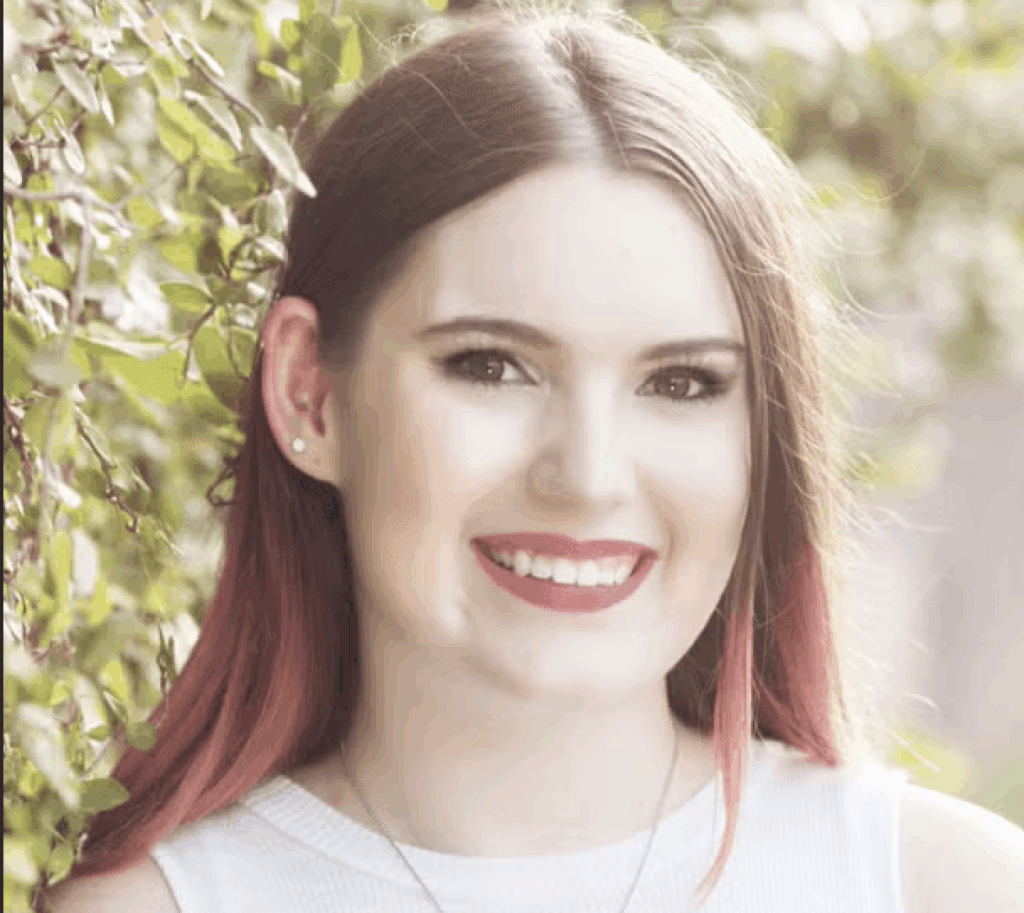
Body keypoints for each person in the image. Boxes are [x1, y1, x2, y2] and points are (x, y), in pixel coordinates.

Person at [43, 5, 1024, 913]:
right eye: (491, 365)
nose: (588, 476)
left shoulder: (951, 889)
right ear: (312, 393)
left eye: (680, 381)